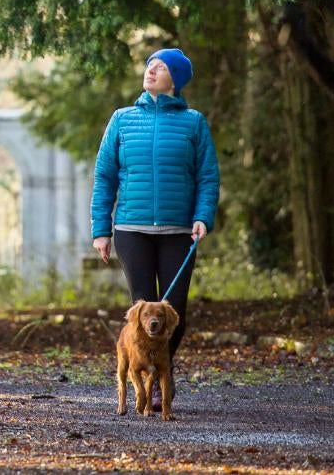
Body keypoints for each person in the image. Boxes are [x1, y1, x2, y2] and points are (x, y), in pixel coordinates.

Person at [90, 48, 220, 402]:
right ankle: (148, 383)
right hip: (132, 230)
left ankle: (164, 370)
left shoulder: (194, 122)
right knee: (143, 311)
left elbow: (207, 176)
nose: (151, 71)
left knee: (173, 309)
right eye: (150, 65)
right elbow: (104, 176)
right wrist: (101, 228)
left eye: (161, 67)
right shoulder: (122, 119)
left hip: (179, 231)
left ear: (175, 80)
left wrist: (202, 216)